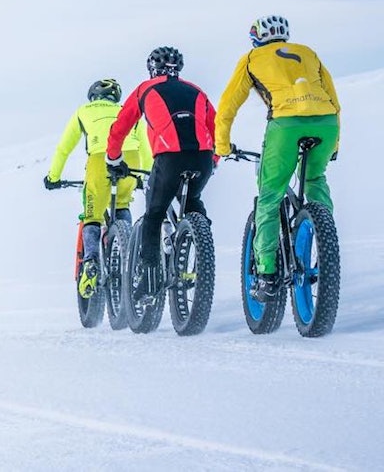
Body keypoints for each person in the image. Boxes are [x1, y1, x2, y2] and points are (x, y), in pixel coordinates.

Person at [215, 15, 340, 301]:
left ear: (257, 37)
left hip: (285, 124)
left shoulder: (252, 58)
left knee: (270, 195)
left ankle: (267, 275)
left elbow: (228, 105)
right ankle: (326, 243)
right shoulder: (308, 52)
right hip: (326, 123)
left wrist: (221, 145)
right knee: (314, 178)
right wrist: (335, 145)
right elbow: (333, 98)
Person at [106, 46, 218, 298]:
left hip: (169, 159)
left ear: (151, 69)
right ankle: (201, 249)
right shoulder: (197, 91)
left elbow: (120, 127)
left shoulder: (145, 89)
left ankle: (148, 279)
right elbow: (217, 127)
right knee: (191, 201)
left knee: (154, 214)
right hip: (202, 158)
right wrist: (215, 158)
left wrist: (113, 158)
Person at [44, 78, 151, 298]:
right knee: (122, 204)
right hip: (130, 160)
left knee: (92, 216)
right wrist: (146, 176)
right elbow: (145, 146)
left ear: (93, 96)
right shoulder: (126, 110)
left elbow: (64, 148)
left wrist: (53, 177)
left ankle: (91, 261)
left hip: (100, 160)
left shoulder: (83, 111)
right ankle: (129, 256)